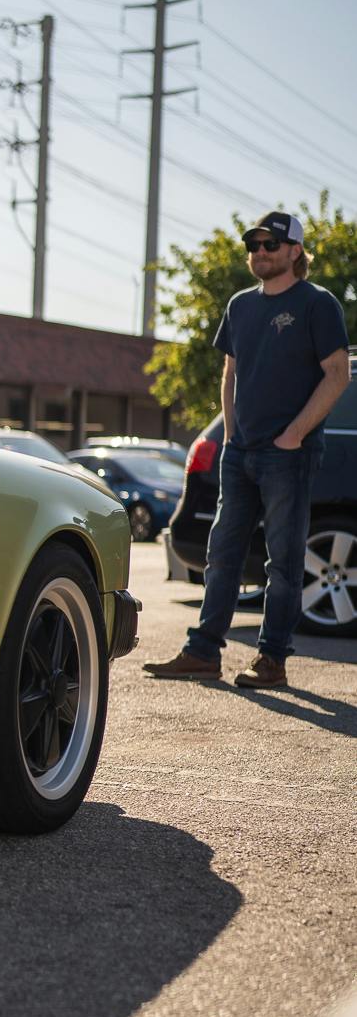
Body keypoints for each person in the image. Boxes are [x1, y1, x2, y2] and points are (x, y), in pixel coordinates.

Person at [145, 211, 350, 689]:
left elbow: (337, 373)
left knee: (283, 559)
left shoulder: (316, 304)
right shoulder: (240, 305)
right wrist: (233, 434)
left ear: (295, 251)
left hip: (289, 455)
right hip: (241, 454)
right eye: (254, 245)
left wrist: (294, 435)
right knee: (222, 554)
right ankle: (203, 652)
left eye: (270, 245)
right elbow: (230, 374)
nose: (259, 252)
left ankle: (272, 659)